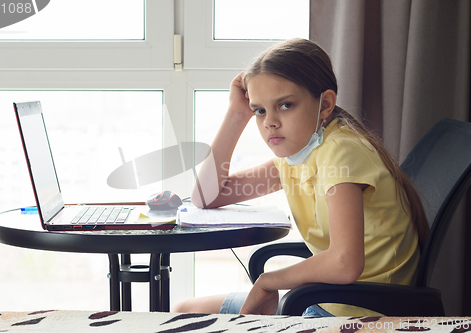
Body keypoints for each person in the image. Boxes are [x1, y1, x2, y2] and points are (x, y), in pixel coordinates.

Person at [172, 38, 429, 317]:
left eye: (285, 105)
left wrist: (269, 281)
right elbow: (207, 196)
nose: (270, 121)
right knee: (185, 310)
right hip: (321, 296)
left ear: (325, 104)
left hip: (354, 310)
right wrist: (236, 114)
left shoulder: (341, 152)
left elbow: (345, 263)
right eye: (259, 110)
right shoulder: (298, 154)